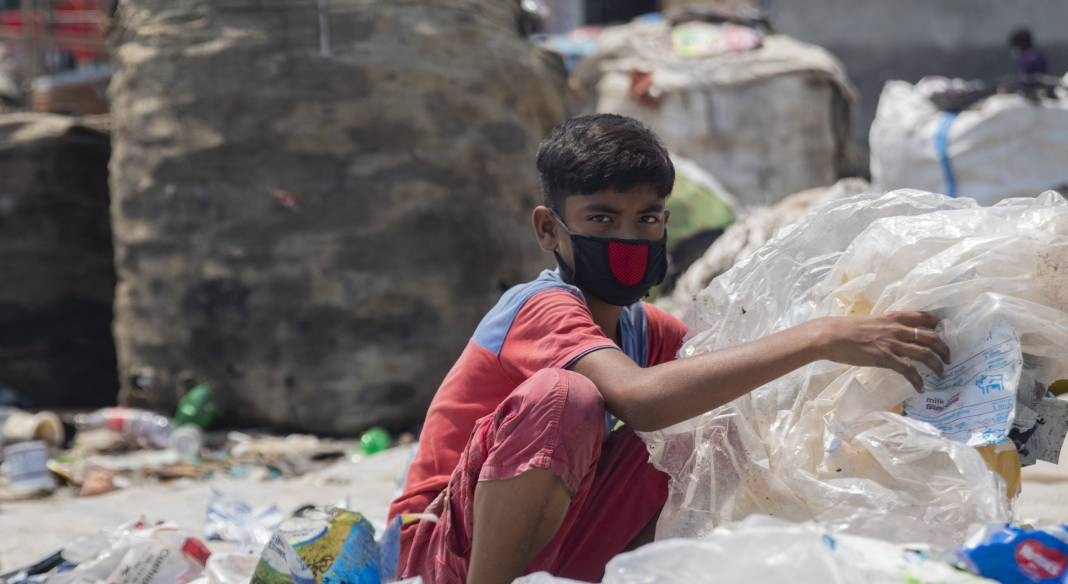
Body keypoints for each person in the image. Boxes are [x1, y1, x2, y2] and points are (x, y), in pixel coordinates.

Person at [388, 114, 950, 584]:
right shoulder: (538, 307)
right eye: (602, 219)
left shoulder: (646, 329)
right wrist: (820, 336)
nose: (629, 240)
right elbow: (642, 398)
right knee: (566, 397)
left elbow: (745, 387)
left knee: (718, 420)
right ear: (549, 230)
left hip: (554, 547)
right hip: (437, 552)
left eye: (647, 219)